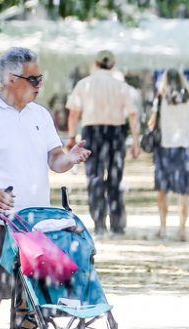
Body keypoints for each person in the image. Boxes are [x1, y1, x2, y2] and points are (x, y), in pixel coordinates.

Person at [0, 47, 91, 329]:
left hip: (35, 227)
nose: (39, 85)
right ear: (9, 80)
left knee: (30, 298)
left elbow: (54, 160)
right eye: (33, 79)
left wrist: (70, 158)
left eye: (40, 78)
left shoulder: (40, 116)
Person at [65, 50, 140, 236]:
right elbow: (132, 114)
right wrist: (136, 141)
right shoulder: (121, 86)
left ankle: (99, 222)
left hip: (92, 133)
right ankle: (117, 223)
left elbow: (73, 113)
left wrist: (72, 136)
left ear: (96, 63)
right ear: (113, 65)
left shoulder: (84, 84)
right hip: (115, 133)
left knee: (94, 178)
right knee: (115, 178)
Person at [148, 69, 189, 241]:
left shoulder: (160, 100)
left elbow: (151, 124)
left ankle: (163, 227)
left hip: (164, 149)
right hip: (183, 149)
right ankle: (182, 229)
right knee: (184, 192)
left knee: (162, 191)